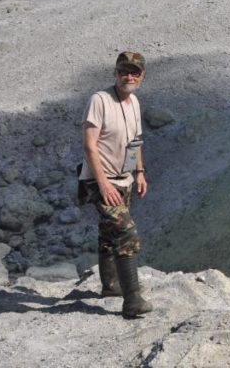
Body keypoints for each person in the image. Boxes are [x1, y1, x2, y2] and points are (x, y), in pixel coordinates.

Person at [78, 50, 152, 319]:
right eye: (123, 71)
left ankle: (111, 287)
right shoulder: (100, 100)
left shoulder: (135, 103)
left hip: (125, 179)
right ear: (115, 73)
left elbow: (136, 141)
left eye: (134, 72)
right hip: (100, 181)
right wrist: (103, 184)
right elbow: (89, 145)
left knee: (110, 235)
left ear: (142, 76)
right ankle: (132, 300)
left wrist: (140, 172)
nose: (128, 76)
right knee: (126, 233)